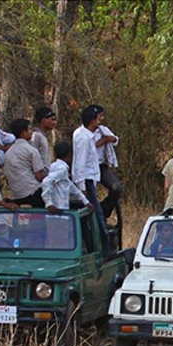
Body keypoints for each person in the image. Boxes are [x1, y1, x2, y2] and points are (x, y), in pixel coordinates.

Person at [72, 105, 109, 251]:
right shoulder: (83, 138)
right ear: (92, 120)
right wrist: (82, 188)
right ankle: (102, 245)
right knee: (97, 213)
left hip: (89, 180)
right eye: (98, 118)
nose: (100, 122)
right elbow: (80, 163)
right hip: (85, 181)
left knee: (94, 212)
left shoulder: (87, 135)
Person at [3, 119, 47, 207]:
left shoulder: (8, 153)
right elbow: (39, 176)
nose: (31, 132)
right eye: (29, 129)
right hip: (32, 192)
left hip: (16, 194)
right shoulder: (31, 150)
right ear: (24, 133)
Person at [42, 142, 93, 214]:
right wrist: (49, 203)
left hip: (60, 209)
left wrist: (85, 201)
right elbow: (46, 182)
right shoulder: (62, 169)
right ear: (69, 154)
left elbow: (70, 185)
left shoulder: (55, 166)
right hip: (58, 209)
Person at [91, 105, 123, 218]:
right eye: (100, 116)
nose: (102, 119)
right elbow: (91, 146)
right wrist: (103, 140)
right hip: (88, 167)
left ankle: (103, 211)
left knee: (117, 188)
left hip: (100, 166)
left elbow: (115, 139)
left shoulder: (102, 129)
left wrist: (108, 139)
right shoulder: (82, 134)